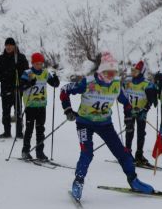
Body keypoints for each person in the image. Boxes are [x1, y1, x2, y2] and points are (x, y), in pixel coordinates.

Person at [60, 52, 154, 200]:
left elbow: (127, 103)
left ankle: (134, 180)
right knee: (87, 153)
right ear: (100, 71)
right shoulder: (88, 82)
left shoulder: (116, 84)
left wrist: (128, 119)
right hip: (85, 122)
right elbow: (65, 90)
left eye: (114, 72)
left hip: (104, 124)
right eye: (107, 72)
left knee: (122, 153)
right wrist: (68, 110)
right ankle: (78, 181)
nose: (111, 75)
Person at [19, 52, 59, 160]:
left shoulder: (45, 73)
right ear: (32, 63)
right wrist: (29, 83)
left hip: (41, 105)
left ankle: (40, 152)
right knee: (29, 129)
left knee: (40, 129)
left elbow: (54, 84)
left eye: (41, 63)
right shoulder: (27, 73)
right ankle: (25, 151)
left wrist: (56, 80)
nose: (39, 65)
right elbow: (20, 87)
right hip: (30, 105)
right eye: (36, 63)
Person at [122, 60, 157, 165]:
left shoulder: (146, 84)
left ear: (141, 72)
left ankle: (139, 154)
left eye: (136, 70)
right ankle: (127, 154)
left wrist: (145, 110)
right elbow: (121, 93)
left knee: (141, 133)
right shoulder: (128, 81)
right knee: (129, 131)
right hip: (129, 111)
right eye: (132, 70)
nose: (133, 72)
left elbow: (150, 100)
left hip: (141, 112)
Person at [0, 37, 28, 138]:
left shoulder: (20, 57)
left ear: (14, 46)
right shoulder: (1, 58)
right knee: (5, 112)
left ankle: (19, 132)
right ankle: (7, 132)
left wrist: (21, 81)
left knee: (18, 112)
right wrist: (2, 78)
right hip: (5, 89)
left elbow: (26, 72)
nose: (8, 47)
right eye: (7, 45)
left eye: (10, 45)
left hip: (17, 89)